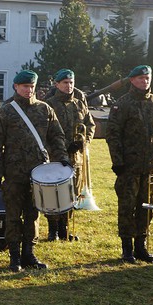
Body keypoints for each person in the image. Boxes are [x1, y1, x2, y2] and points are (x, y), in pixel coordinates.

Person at [0, 70, 68, 272]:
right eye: (25, 86)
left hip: (38, 172)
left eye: (31, 86)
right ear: (16, 87)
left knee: (33, 215)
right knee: (13, 216)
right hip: (13, 173)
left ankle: (29, 253)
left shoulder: (45, 109)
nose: (28, 90)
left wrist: (62, 157)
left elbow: (56, 136)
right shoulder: (6, 111)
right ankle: (14, 256)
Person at [106, 65, 153, 264]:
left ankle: (141, 246)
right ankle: (127, 248)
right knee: (127, 207)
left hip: (150, 166)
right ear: (132, 80)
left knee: (147, 207)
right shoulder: (122, 104)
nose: (145, 81)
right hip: (129, 167)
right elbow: (113, 134)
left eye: (147, 78)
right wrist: (118, 162)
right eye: (141, 78)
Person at [44, 68, 95, 241]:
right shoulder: (48, 104)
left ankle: (65, 228)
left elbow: (90, 125)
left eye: (71, 82)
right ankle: (53, 230)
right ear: (57, 84)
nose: (69, 86)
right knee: (54, 193)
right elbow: (45, 132)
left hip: (76, 158)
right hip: (55, 157)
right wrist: (65, 146)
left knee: (72, 193)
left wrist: (83, 142)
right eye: (65, 83)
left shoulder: (79, 104)